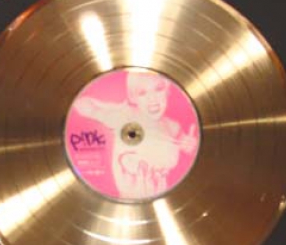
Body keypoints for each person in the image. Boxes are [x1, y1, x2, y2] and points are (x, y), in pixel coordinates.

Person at [74, 71, 198, 199]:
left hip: (161, 200)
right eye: (142, 93)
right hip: (124, 201)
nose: (152, 99)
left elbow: (191, 149)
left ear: (167, 90)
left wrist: (191, 145)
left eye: (158, 89)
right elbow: (80, 104)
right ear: (133, 98)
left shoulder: (172, 126)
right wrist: (114, 107)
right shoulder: (125, 115)